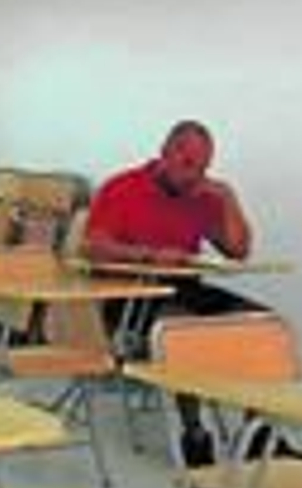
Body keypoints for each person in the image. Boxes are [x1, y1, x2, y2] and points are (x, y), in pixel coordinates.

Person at [86, 120, 278, 464]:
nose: (194, 175)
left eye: (203, 167)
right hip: (130, 295)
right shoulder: (122, 187)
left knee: (265, 325)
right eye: (188, 164)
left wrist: (228, 197)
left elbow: (238, 250)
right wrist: (149, 255)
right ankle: (194, 432)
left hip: (185, 287)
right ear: (165, 152)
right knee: (184, 332)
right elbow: (94, 248)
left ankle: (257, 434)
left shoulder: (201, 196)